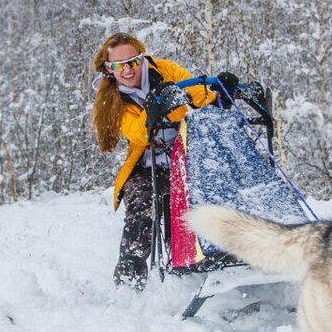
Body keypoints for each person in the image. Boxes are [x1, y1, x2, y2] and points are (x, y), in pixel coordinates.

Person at [89, 32, 239, 290]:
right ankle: (129, 277)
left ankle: (200, 262)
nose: (126, 71)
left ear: (142, 58)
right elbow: (136, 131)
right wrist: (155, 108)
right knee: (142, 205)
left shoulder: (165, 70)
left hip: (185, 157)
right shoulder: (111, 99)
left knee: (204, 196)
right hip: (146, 166)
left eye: (132, 62)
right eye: (117, 66)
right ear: (108, 68)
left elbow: (196, 91)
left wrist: (220, 95)